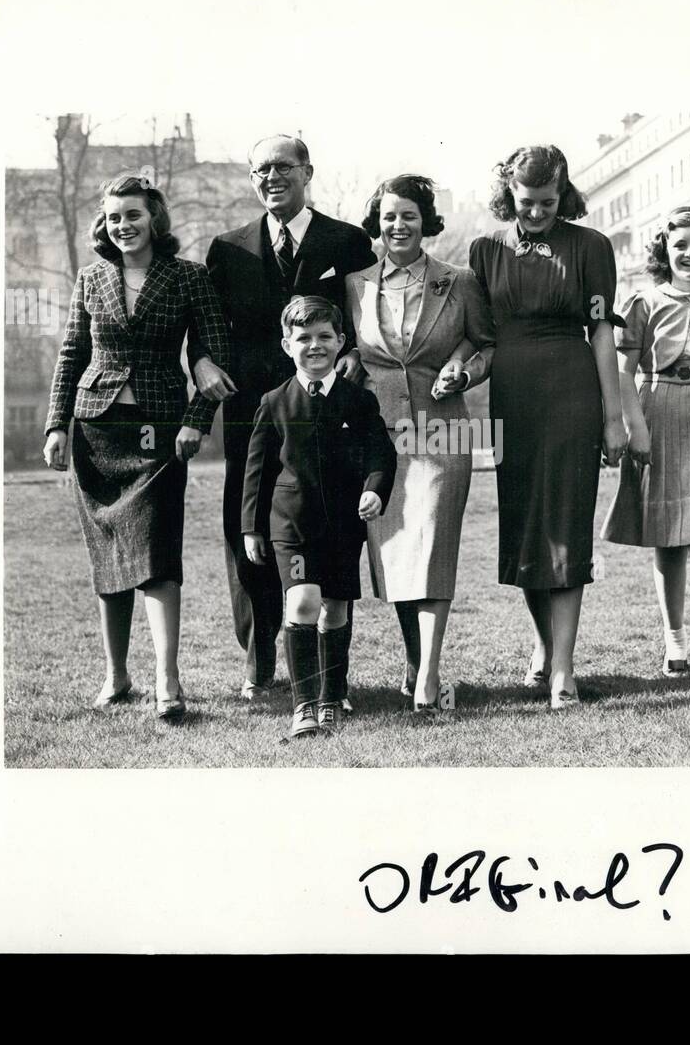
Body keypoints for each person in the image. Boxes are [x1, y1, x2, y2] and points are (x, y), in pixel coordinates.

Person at [187, 135, 377, 701]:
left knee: (324, 522)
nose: (272, 177)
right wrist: (199, 362)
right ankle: (259, 649)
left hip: (325, 412)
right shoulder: (228, 248)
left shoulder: (347, 240)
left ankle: (323, 660)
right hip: (250, 410)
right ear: (251, 180)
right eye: (260, 170)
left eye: (283, 168)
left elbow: (366, 320)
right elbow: (208, 327)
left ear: (307, 172)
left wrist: (352, 355)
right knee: (245, 523)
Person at [43, 173, 232, 718]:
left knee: (155, 552)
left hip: (159, 430)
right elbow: (71, 354)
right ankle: (116, 675)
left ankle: (167, 678)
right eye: (113, 216)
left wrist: (197, 420)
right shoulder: (91, 279)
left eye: (134, 215)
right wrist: (57, 425)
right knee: (107, 554)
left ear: (155, 220)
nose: (123, 225)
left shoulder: (187, 277)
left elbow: (216, 355)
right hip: (97, 429)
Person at [468, 145, 627, 710]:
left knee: (565, 525)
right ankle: (543, 645)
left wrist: (613, 419)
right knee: (528, 528)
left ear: (565, 193)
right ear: (508, 194)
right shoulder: (485, 250)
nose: (535, 213)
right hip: (512, 397)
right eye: (525, 202)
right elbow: (480, 337)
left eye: (547, 202)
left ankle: (564, 670)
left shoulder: (590, 246)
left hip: (571, 393)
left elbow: (603, 333)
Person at [346, 175, 495, 713]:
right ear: (377, 223)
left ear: (425, 221)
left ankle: (430, 676)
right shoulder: (355, 284)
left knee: (431, 547)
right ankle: (415, 662)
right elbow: (345, 350)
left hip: (441, 431)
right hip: (377, 438)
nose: (398, 225)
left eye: (409, 215)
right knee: (394, 555)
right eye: (389, 216)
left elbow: (484, 344)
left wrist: (463, 369)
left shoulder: (457, 281)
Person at [241, 296, 397, 738]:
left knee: (334, 610)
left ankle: (333, 693)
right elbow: (257, 470)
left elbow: (380, 455)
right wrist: (251, 527)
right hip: (291, 525)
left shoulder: (358, 401)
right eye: (303, 338)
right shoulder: (274, 402)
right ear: (287, 344)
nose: (314, 346)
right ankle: (305, 705)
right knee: (304, 601)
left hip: (344, 526)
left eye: (324, 337)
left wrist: (373, 490)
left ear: (340, 342)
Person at [602, 206, 690, 684]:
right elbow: (623, 370)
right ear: (664, 251)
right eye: (679, 245)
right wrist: (635, 427)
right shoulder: (644, 301)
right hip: (659, 412)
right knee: (668, 536)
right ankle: (674, 643)